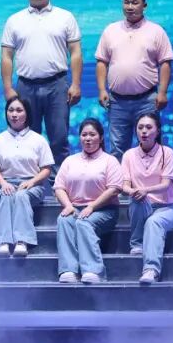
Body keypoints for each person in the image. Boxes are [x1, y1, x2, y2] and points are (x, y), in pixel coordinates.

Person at [0, 0, 83, 169]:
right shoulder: (14, 20)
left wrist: (76, 84)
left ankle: (59, 183)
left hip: (57, 86)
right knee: (26, 139)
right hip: (25, 87)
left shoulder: (65, 17)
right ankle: (31, 182)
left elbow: (75, 53)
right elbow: (6, 56)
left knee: (59, 138)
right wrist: (8, 88)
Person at [94, 0, 173, 158]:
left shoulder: (156, 31)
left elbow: (165, 63)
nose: (130, 7)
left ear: (144, 5)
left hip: (147, 100)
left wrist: (162, 92)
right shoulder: (110, 30)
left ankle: (153, 176)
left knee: (150, 147)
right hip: (117, 101)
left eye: (135, 3)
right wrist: (101, 90)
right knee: (117, 149)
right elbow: (102, 62)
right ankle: (119, 177)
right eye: (126, 2)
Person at [52, 119, 123, 284]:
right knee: (63, 220)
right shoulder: (70, 160)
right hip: (75, 207)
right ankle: (68, 269)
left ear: (101, 137)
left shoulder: (109, 160)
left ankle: (93, 270)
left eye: (92, 134)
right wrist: (68, 206)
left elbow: (114, 189)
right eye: (84, 135)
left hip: (104, 210)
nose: (88, 138)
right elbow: (59, 187)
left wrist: (92, 207)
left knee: (83, 222)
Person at [0, 95, 54, 257]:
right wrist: (3, 184)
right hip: (6, 183)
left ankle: (22, 241)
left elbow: (46, 169)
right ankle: (3, 242)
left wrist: (32, 182)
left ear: (27, 113)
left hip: (32, 185)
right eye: (10, 110)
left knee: (22, 196)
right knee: (7, 195)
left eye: (19, 110)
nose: (14, 114)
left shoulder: (38, 140)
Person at [122, 112, 173, 284]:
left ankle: (151, 270)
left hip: (167, 208)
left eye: (148, 127)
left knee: (153, 222)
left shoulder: (167, 153)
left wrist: (145, 190)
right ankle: (137, 243)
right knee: (137, 199)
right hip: (143, 205)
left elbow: (165, 184)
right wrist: (133, 191)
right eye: (140, 127)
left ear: (158, 131)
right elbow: (124, 185)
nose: (144, 131)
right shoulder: (129, 155)